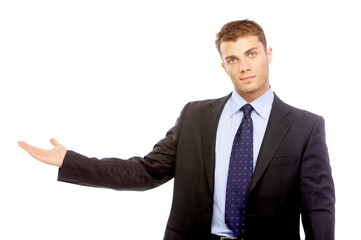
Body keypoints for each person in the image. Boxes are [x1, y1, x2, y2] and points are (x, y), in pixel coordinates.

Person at [18, 19, 335, 240]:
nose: (245, 67)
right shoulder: (196, 116)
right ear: (224, 66)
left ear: (268, 54)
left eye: (252, 54)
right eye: (233, 59)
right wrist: (70, 161)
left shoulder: (305, 126)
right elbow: (145, 172)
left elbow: (318, 207)